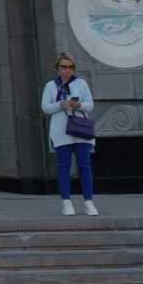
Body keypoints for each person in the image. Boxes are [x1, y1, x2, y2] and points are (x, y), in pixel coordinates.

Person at [42, 52, 98, 216]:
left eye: (70, 67)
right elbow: (45, 107)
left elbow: (90, 105)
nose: (67, 70)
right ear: (57, 68)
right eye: (64, 67)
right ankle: (66, 202)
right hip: (61, 130)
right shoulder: (51, 86)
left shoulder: (81, 84)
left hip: (80, 129)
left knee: (84, 165)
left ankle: (88, 201)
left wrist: (78, 104)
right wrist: (61, 104)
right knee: (64, 165)